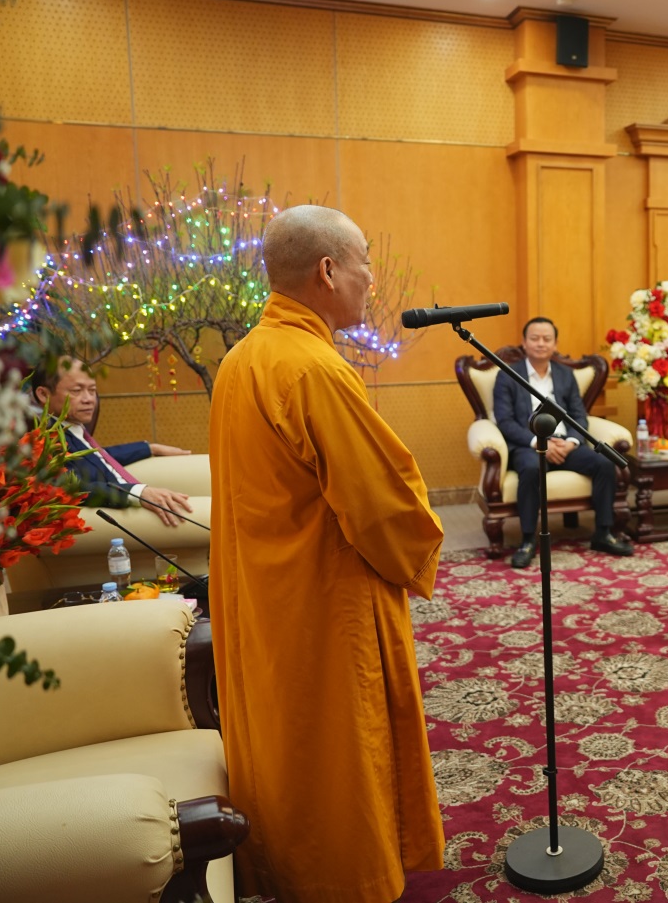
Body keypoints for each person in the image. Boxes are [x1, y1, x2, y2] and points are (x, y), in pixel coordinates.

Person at [208, 205, 444, 902]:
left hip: (263, 593)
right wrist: (421, 545)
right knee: (339, 747)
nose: (372, 278)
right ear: (328, 270)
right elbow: (379, 505)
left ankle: (287, 868)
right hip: (323, 597)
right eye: (365, 262)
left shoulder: (243, 358)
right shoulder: (313, 368)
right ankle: (347, 880)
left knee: (286, 740)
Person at [494, 315, 634, 569]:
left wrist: (572, 441)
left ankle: (603, 533)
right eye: (534, 338)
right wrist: (538, 443)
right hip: (529, 446)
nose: (541, 343)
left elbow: (579, 415)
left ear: (555, 344)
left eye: (546, 339)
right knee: (530, 469)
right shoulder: (508, 376)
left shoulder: (565, 375)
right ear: (524, 342)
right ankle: (527, 541)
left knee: (604, 464)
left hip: (564, 443)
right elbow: (504, 421)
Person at [29, 357, 195, 527]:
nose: (89, 399)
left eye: (92, 390)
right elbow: (69, 487)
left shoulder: (71, 429)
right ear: (44, 394)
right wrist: (137, 493)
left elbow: (98, 456)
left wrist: (149, 448)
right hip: (117, 519)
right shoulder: (45, 440)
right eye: (77, 391)